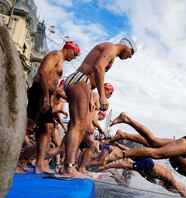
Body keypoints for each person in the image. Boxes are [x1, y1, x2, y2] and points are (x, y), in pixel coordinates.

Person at [62, 38, 136, 178]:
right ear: (127, 46)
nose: (130, 57)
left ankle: (70, 167)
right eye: (131, 53)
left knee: (81, 127)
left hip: (84, 84)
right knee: (78, 125)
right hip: (80, 80)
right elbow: (98, 67)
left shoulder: (111, 53)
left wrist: (91, 95)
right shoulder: (111, 48)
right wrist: (102, 95)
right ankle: (68, 168)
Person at [110, 118, 186, 198]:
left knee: (153, 143)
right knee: (154, 141)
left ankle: (124, 135)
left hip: (176, 158)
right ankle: (125, 131)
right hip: (180, 150)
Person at [26, 41, 79, 174]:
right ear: (69, 48)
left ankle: (39, 164)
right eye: (75, 53)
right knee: (27, 126)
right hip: (39, 91)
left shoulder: (60, 60)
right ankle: (12, 159)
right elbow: (43, 73)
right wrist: (45, 97)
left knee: (48, 128)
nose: (75, 57)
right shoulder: (56, 55)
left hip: (44, 93)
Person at [98, 143, 186, 198]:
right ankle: (107, 164)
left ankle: (110, 159)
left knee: (129, 153)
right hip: (148, 166)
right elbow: (180, 190)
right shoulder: (171, 181)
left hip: (148, 167)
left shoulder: (167, 182)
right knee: (128, 160)